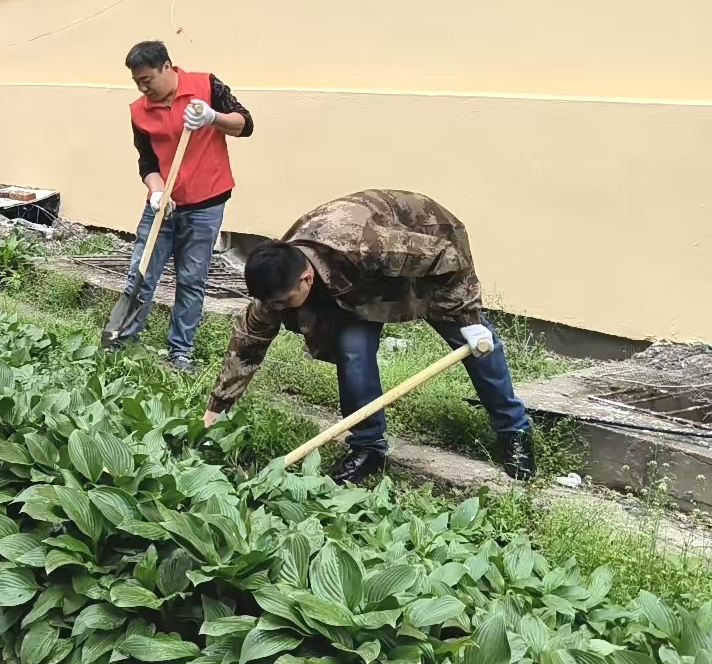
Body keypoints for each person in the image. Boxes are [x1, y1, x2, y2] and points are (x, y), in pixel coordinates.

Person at [204, 189, 536, 483]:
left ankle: (514, 430)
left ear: (306, 279)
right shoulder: (278, 280)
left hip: (427, 254)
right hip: (357, 283)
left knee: (476, 344)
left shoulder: (366, 244)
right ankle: (368, 447)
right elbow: (247, 344)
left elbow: (446, 258)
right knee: (353, 351)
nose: (277, 309)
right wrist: (217, 409)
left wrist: (469, 315)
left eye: (283, 302)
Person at [115, 40, 253, 370]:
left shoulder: (206, 86)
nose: (142, 87)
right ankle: (121, 337)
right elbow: (146, 162)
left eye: (147, 79)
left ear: (167, 67)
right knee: (141, 272)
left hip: (206, 202)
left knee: (191, 279)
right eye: (136, 81)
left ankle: (181, 352)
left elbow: (245, 125)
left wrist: (212, 117)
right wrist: (156, 190)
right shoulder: (139, 111)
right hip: (164, 204)